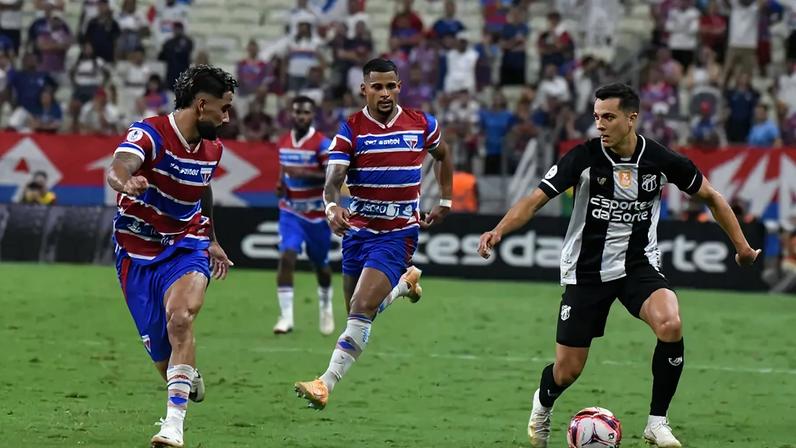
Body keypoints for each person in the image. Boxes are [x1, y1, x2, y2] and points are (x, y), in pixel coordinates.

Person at [477, 83, 761, 448]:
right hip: (586, 271)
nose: (600, 124)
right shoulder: (582, 158)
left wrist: (742, 247)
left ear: (631, 118)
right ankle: (543, 403)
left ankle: (657, 422)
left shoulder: (659, 159)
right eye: (597, 117)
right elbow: (534, 200)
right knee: (567, 371)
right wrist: (498, 230)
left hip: (638, 265)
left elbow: (712, 197)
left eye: (608, 117)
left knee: (671, 323)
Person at [294, 58, 453, 410]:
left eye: (391, 86)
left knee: (361, 307)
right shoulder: (350, 130)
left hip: (398, 233)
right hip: (358, 232)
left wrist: (445, 199)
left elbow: (443, 154)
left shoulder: (421, 124)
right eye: (377, 87)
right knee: (359, 312)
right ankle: (404, 286)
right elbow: (333, 181)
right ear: (363, 89)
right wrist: (332, 208)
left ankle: (324, 384)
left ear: (399, 87)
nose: (385, 93)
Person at [105, 64, 237, 448]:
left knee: (180, 318)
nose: (227, 118)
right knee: (164, 360)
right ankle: (184, 372)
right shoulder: (150, 133)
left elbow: (203, 188)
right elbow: (118, 166)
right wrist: (125, 182)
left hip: (185, 244)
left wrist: (211, 239)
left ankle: (173, 427)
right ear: (201, 106)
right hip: (135, 251)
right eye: (224, 109)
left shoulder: (213, 149)